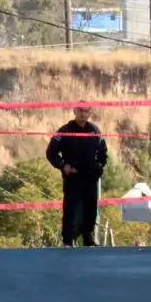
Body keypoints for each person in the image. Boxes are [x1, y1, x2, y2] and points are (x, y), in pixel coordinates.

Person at [46, 106, 107, 247]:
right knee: (70, 208)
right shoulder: (65, 131)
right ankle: (67, 240)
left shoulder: (95, 131)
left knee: (90, 208)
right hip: (73, 177)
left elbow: (103, 152)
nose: (83, 114)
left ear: (90, 113)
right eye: (80, 111)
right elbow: (51, 152)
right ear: (74, 112)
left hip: (90, 177)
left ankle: (88, 238)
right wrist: (63, 165)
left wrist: (99, 166)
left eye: (86, 111)